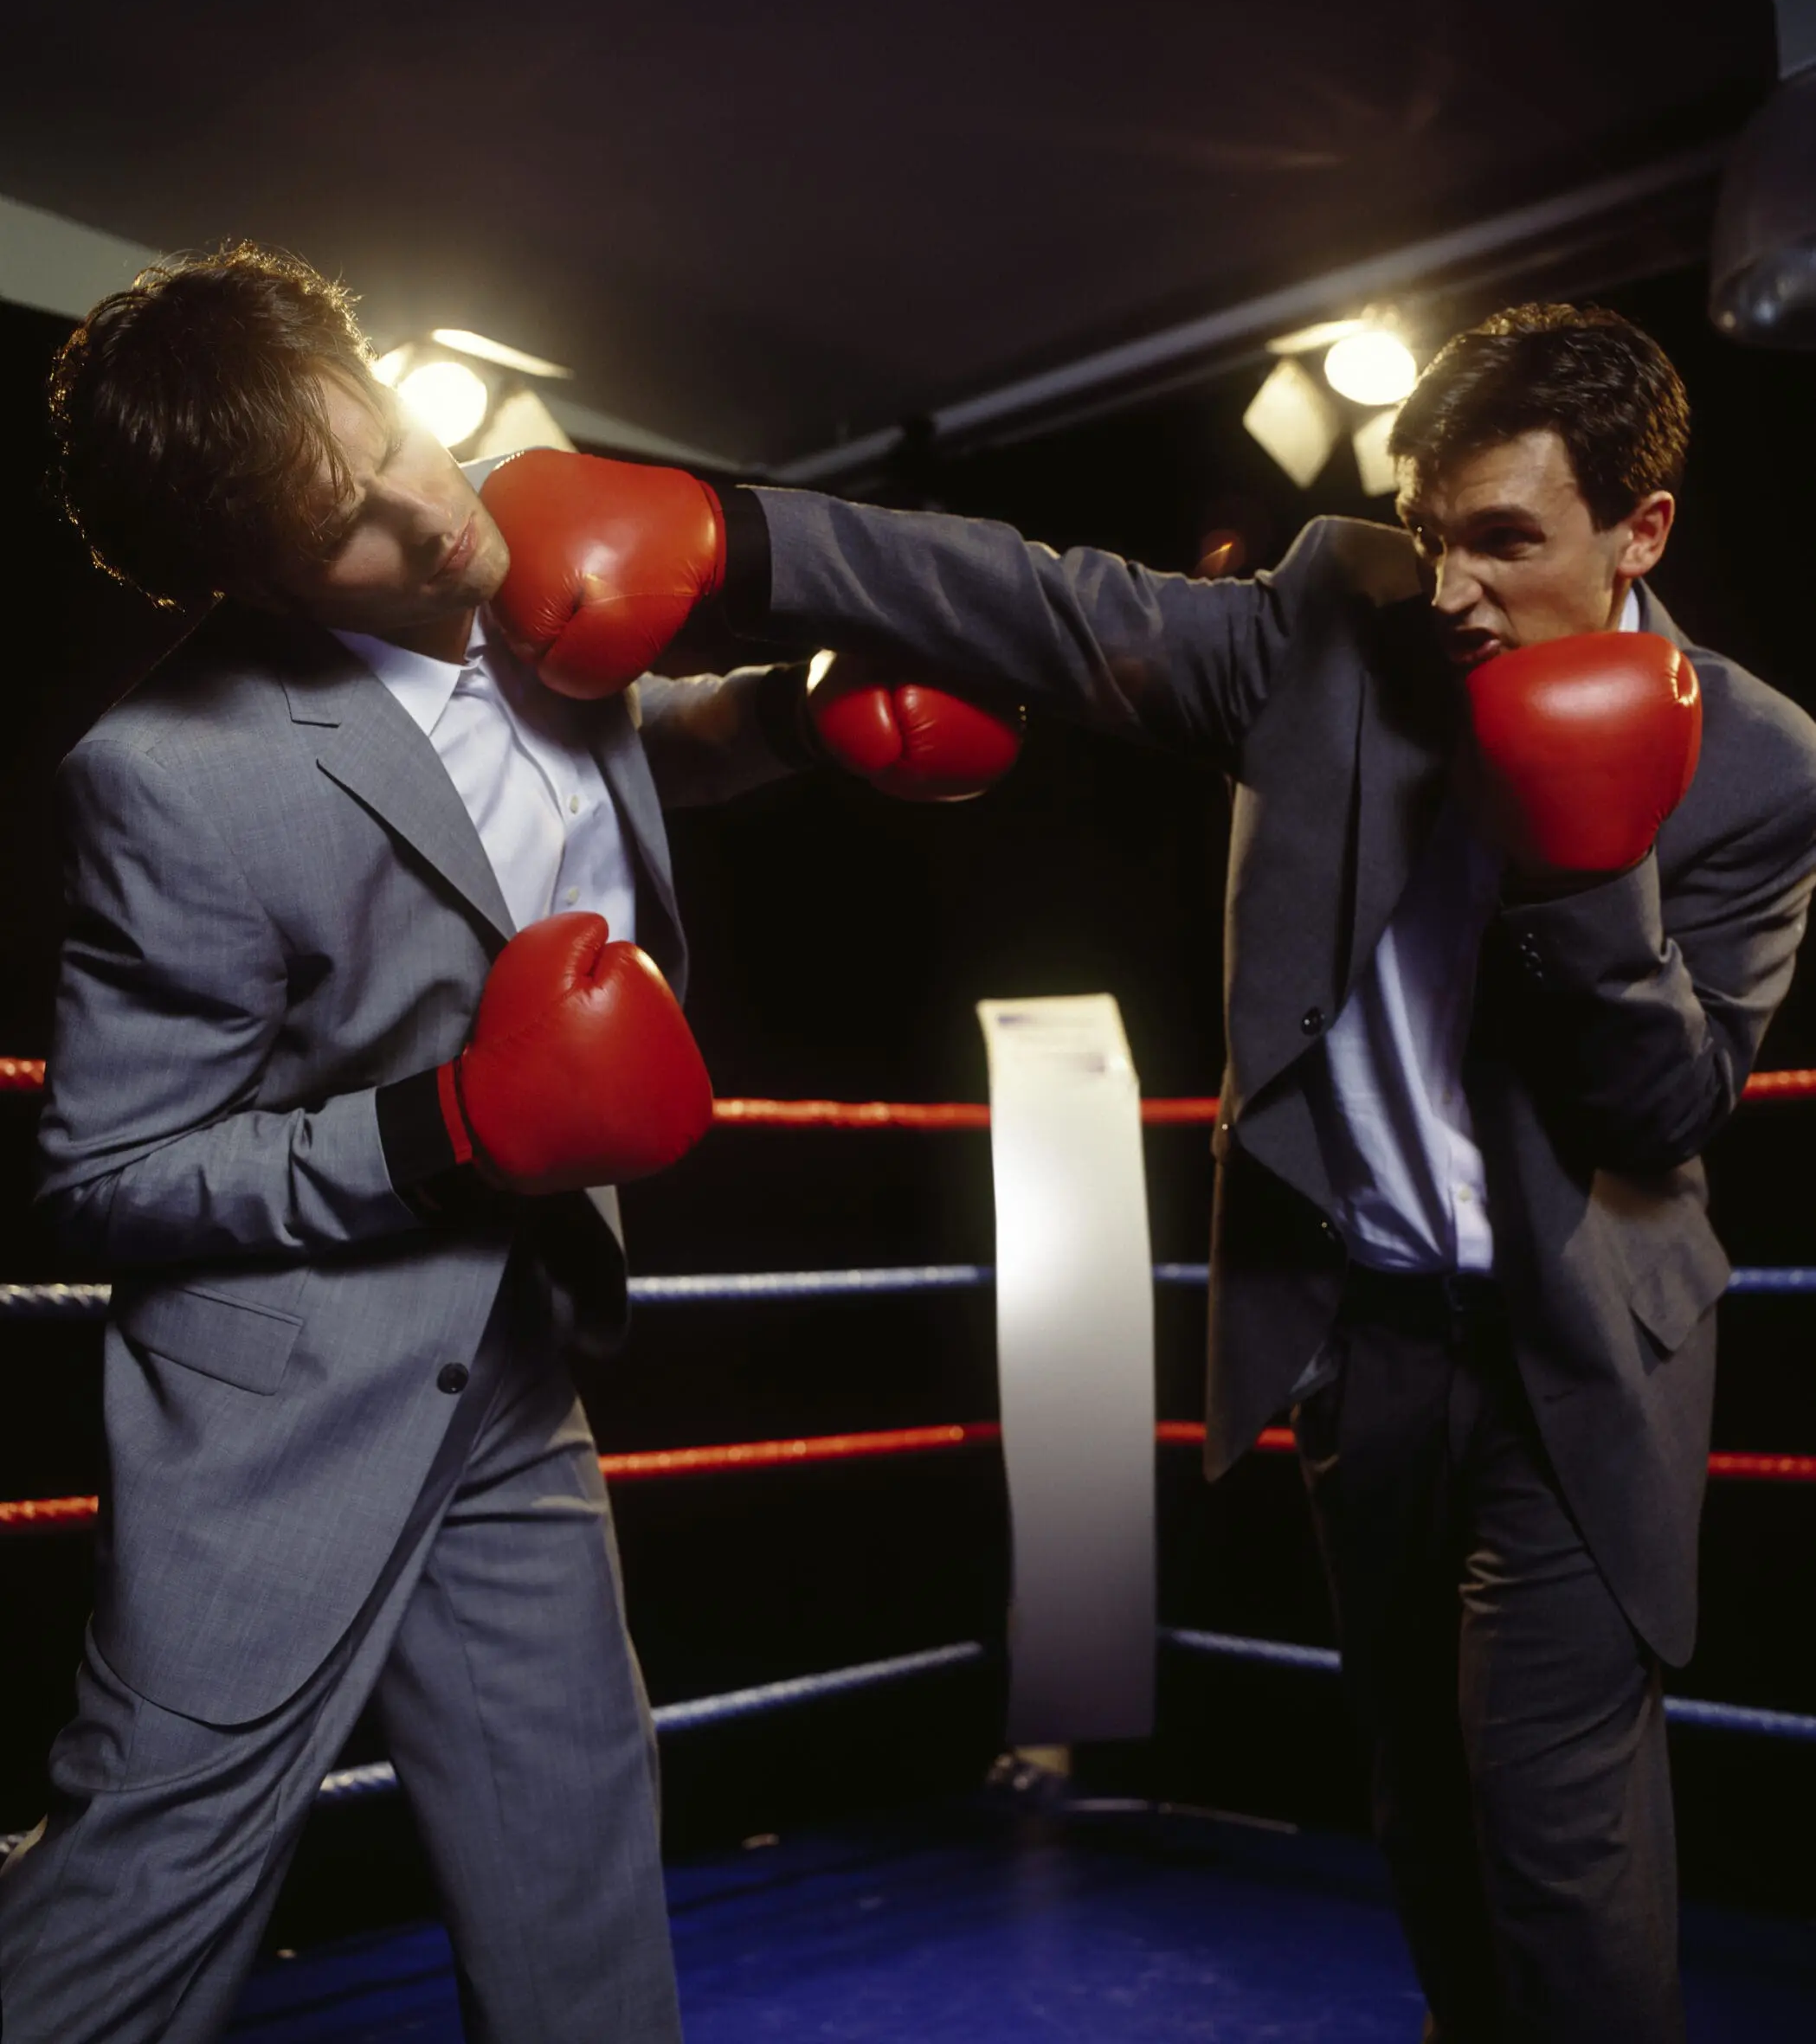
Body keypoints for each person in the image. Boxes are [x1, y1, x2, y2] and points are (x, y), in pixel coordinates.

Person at [475, 303, 1816, 2043]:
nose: (1459, 585)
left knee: (1555, 1844)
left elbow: (1666, 1108)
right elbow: (1041, 602)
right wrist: (740, 535)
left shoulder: (1761, 764)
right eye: (1436, 534)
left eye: (1506, 538)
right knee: (1422, 1808)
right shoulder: (1340, 631)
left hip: (1575, 1360)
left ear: (1636, 531)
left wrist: (1590, 864)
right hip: (1373, 1341)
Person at [0, 241, 1014, 2043]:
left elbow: (598, 755)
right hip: (280, 1423)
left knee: (578, 1902)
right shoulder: (172, 772)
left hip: (512, 1378)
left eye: (392, 434)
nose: (426, 511)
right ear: (247, 570)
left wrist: (796, 718)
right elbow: (104, 1170)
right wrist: (444, 1125)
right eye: (346, 522)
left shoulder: (532, 575)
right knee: (124, 1929)